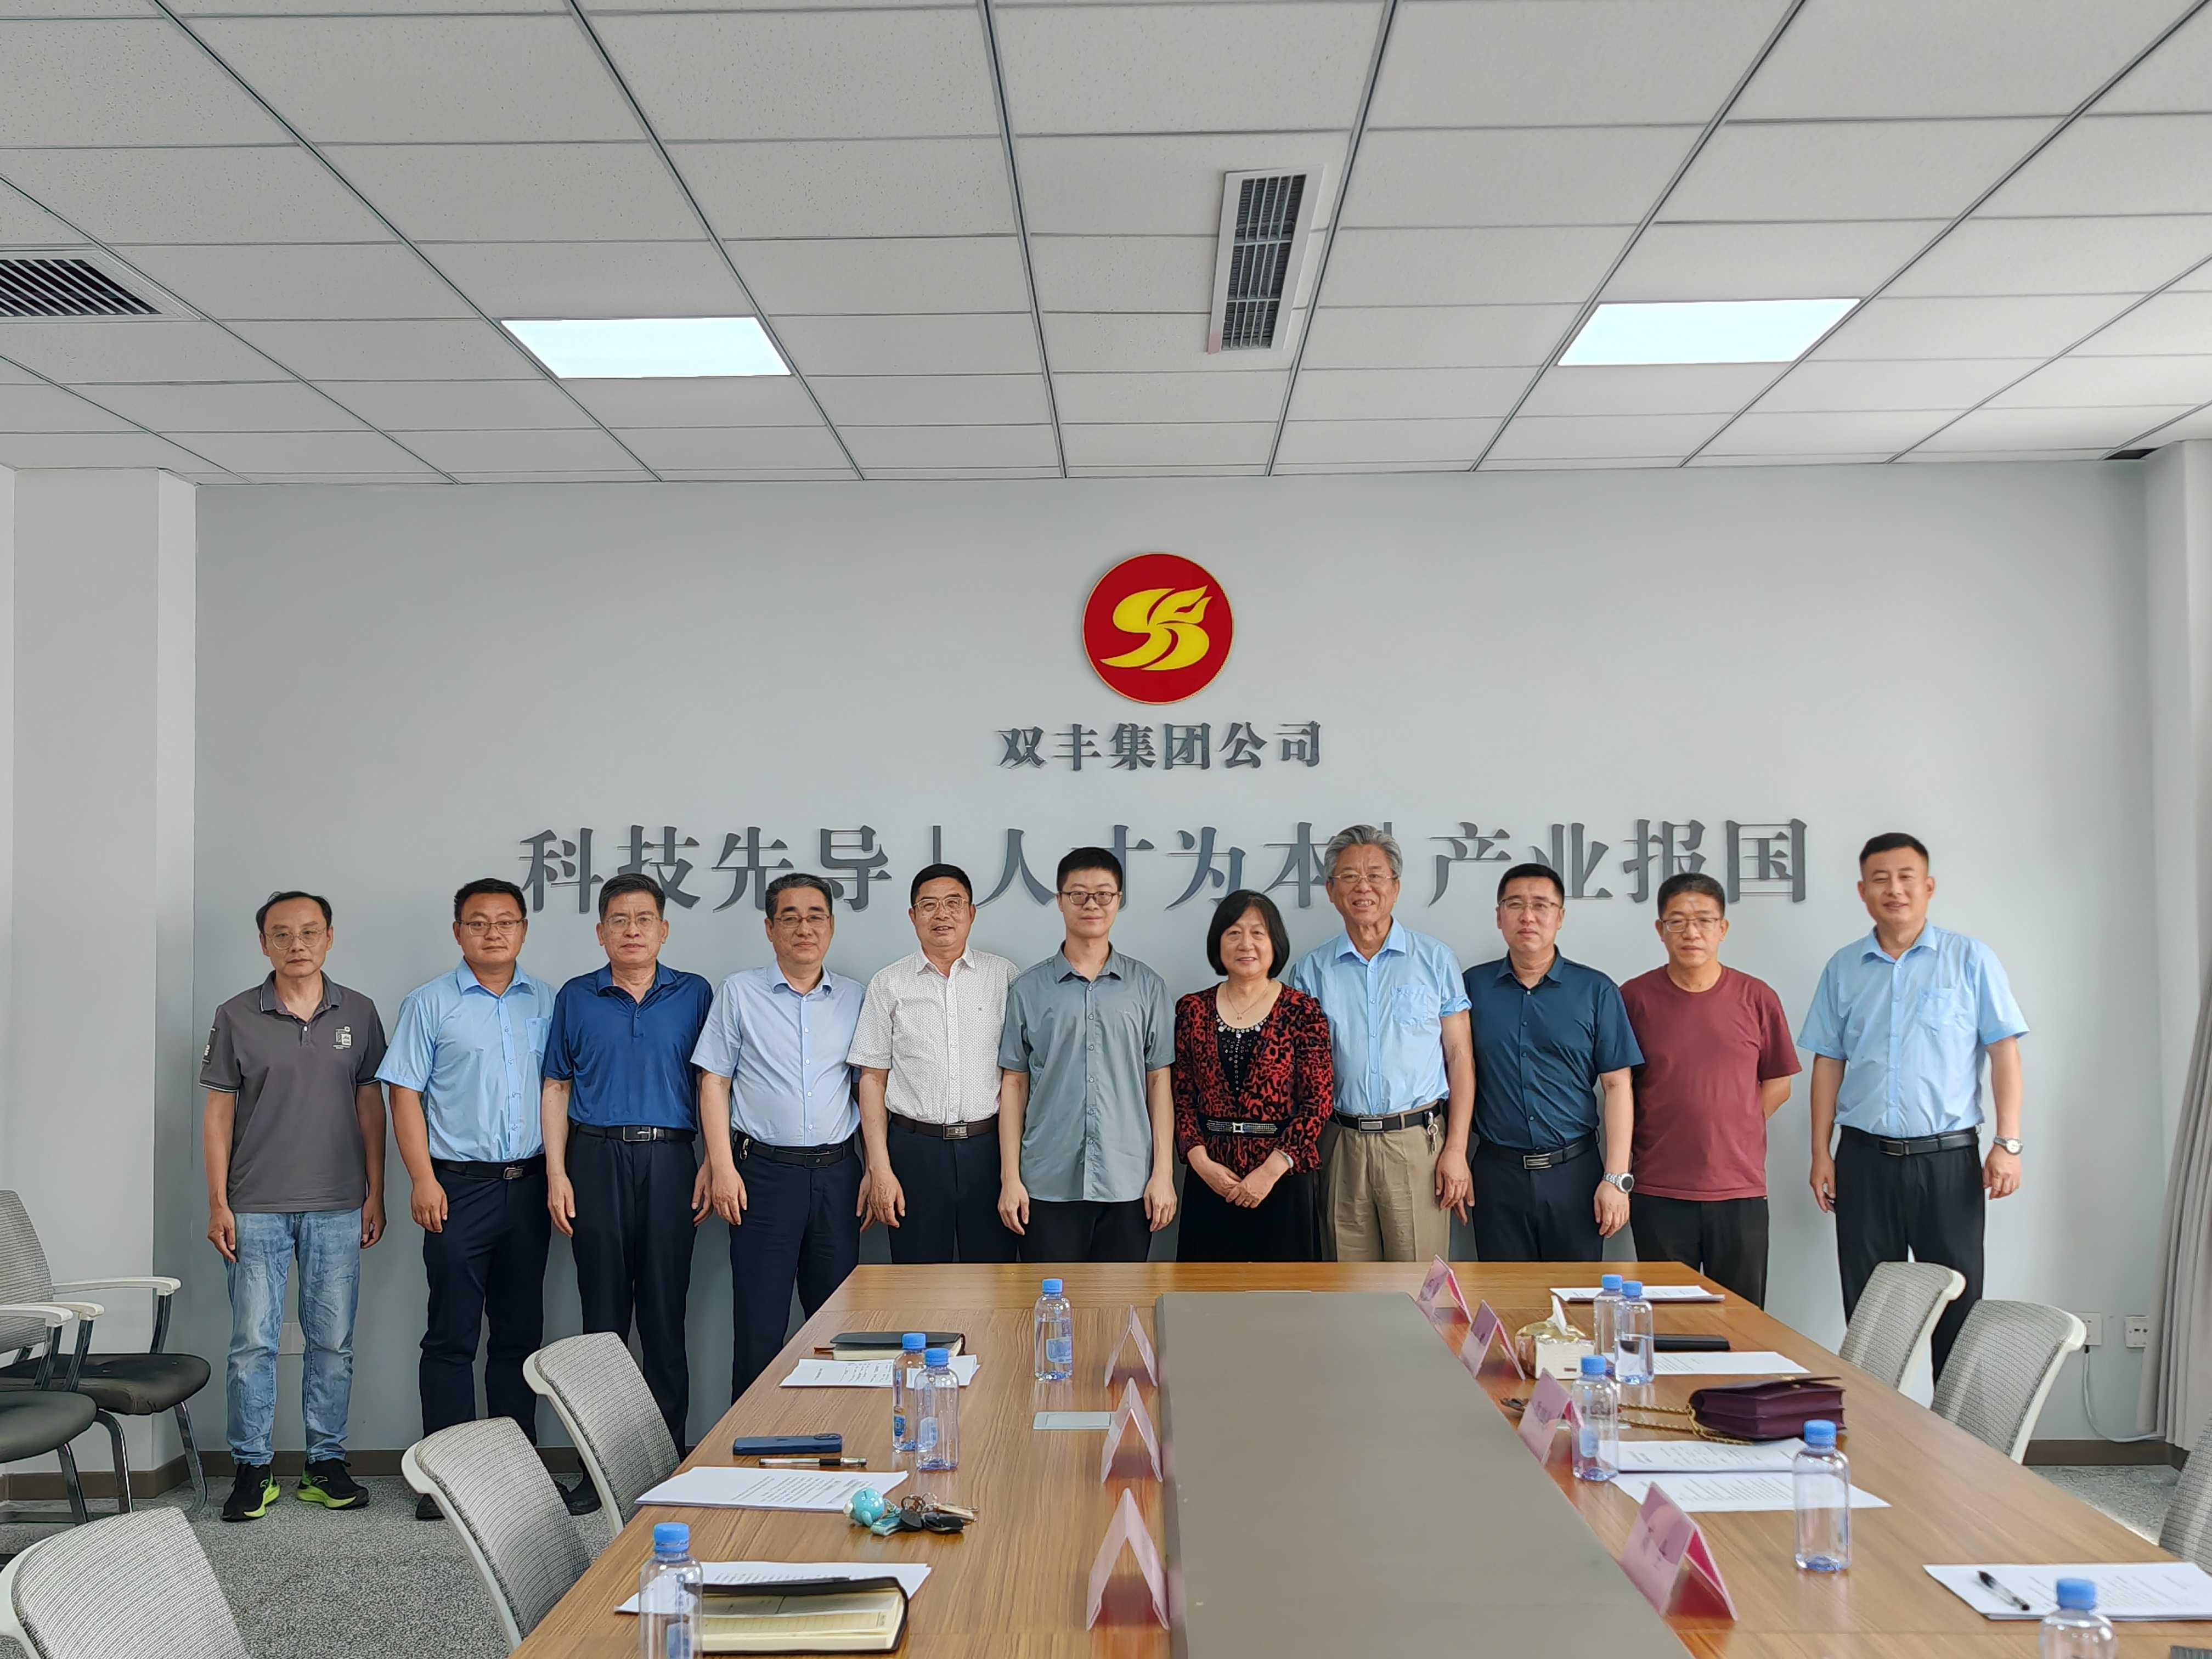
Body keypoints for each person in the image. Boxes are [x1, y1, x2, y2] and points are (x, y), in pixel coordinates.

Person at [1799, 832, 2027, 1376]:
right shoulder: (1843, 968)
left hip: (1948, 1162)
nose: (1894, 889)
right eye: (1880, 879)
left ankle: (1955, 1430)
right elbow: (1828, 1062)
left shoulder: (1970, 959)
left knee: (1958, 1311)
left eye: (1906, 877)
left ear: (1928, 886)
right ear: (1863, 891)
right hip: (1863, 1161)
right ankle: (1877, 1426)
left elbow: (2004, 1052)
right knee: (1870, 1315)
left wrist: (2008, 1143)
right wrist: (1820, 1153)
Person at [201, 890, 387, 1522]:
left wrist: (376, 1192)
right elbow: (219, 1113)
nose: (297, 944)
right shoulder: (236, 1015)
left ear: (329, 937)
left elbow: (371, 1105)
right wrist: (218, 1202)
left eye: (309, 932)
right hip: (254, 1206)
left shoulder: (359, 1012)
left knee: (332, 1342)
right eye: (282, 934)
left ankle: (325, 1463)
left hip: (338, 1204)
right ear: (264, 944)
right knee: (252, 1344)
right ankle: (252, 1468)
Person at [379, 877, 556, 1522]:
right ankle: (447, 1483)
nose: (493, 933)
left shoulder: (548, 1001)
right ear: (458, 932)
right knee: (452, 1335)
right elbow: (403, 1093)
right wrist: (422, 1179)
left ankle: (515, 1477)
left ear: (523, 929)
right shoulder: (429, 1003)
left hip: (530, 1185)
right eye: (478, 922)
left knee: (519, 1335)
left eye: (505, 921)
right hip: (457, 1187)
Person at [540, 872, 713, 1499]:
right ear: (601, 932)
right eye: (619, 920)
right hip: (594, 1159)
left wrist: (712, 1161)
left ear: (663, 930)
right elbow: (556, 1086)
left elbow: (712, 1084)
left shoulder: (694, 994)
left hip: (671, 1160)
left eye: (644, 920)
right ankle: (598, 1472)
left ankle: (666, 1464)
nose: (632, 930)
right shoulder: (577, 996)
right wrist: (557, 1172)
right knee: (603, 1322)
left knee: (666, 1314)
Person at [693, 873, 866, 1398]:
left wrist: (877, 1168)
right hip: (762, 1178)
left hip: (838, 1176)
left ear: (831, 926)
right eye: (789, 918)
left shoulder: (856, 997)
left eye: (815, 917)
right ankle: (749, 1444)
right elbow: (714, 1082)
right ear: (770, 929)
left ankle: (837, 1434)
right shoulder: (739, 993)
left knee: (838, 1328)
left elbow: (868, 1088)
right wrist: (722, 1166)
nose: (804, 928)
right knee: (760, 1326)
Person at [1286, 825, 1474, 1262]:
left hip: (1417, 1143)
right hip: (1340, 1143)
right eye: (1349, 876)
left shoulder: (1435, 960)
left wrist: (1456, 1149)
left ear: (1396, 886)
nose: (1363, 887)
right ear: (1331, 891)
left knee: (1418, 1285)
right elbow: (1301, 1073)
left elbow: (1460, 1057)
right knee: (1348, 1285)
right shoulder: (1311, 971)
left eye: (1375, 875)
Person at [1618, 871, 1799, 1305]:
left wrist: (1737, 1121)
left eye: (1703, 920)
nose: (1691, 932)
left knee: (1743, 1321)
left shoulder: (1757, 997)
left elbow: (1780, 1082)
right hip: (1659, 1188)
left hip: (1739, 1189)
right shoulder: (1633, 998)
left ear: (1723, 928)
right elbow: (1618, 1087)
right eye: (1678, 921)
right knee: (1665, 1321)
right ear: (1660, 930)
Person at [997, 847, 1176, 1262]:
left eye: (1103, 894)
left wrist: (1163, 1174)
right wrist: (1010, 1179)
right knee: (1050, 1298)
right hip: (1045, 1181)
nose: (1091, 904)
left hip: (1129, 1181)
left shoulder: (1147, 987)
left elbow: (1159, 1083)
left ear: (1119, 900)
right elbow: (1014, 1084)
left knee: (1121, 1301)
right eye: (1078, 894)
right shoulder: (1028, 989)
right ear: (1060, 901)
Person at [1463, 863, 1640, 1262]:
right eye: (1515, 905)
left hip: (1575, 1173)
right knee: (1505, 1294)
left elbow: (1617, 1086)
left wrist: (1616, 1179)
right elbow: (1453, 1074)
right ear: (1499, 917)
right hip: (1497, 1172)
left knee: (1575, 1294)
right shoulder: (1471, 987)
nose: (1528, 916)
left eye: (1541, 905)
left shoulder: (1596, 990)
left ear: (1560, 917)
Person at [849, 863, 1018, 1264]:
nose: (942, 914)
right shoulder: (888, 983)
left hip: (989, 1149)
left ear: (971, 913)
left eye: (953, 903)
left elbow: (1018, 1075)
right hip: (914, 1152)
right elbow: (871, 1079)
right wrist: (880, 1168)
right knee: (917, 1277)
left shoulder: (1004, 977)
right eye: (929, 905)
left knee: (993, 1278)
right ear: (913, 916)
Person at [1172, 890, 1331, 1262]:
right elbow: (1181, 1097)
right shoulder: (1192, 1010)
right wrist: (1201, 1163)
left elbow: (1319, 1101)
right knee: (1207, 1291)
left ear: (1275, 942)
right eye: (1234, 933)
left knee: (1284, 1293)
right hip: (1211, 1176)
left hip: (1283, 1178)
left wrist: (1271, 1171)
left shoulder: (1302, 1011)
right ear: (1218, 943)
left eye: (1258, 933)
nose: (1246, 944)